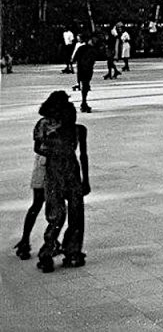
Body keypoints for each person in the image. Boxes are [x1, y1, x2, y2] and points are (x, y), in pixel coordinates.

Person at [33, 91, 90, 272]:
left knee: (76, 213)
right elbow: (38, 147)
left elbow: (83, 156)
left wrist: (85, 180)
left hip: (71, 172)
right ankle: (47, 252)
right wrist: (54, 151)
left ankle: (72, 250)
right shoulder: (47, 127)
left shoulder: (78, 130)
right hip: (55, 172)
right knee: (57, 214)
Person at [13, 152, 47, 260]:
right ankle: (25, 241)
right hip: (47, 163)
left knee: (37, 204)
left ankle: (25, 241)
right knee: (40, 204)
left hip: (45, 162)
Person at [72, 35, 98, 113]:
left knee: (84, 85)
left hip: (80, 69)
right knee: (86, 85)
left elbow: (74, 59)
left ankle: (84, 102)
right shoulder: (92, 49)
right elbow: (94, 59)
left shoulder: (81, 48)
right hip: (87, 69)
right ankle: (84, 103)